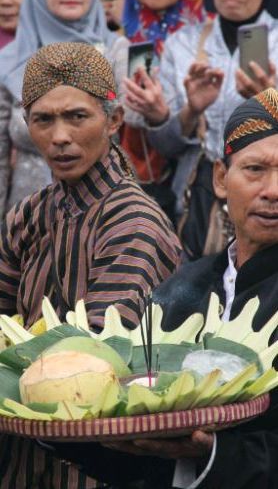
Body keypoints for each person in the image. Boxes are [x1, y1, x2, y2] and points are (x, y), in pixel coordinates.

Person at [47, 87, 278, 489]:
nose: (272, 190)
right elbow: (141, 447)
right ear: (221, 179)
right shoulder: (182, 289)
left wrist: (213, 453)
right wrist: (66, 421)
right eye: (255, 169)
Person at [0, 41, 181, 488]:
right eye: (44, 119)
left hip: (102, 466)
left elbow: (95, 361)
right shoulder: (28, 215)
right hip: (24, 458)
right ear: (27, 125)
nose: (60, 136)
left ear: (113, 120)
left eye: (77, 117)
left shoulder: (134, 221)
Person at [124, 0, 278, 257]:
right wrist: (190, 110)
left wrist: (272, 102)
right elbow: (167, 147)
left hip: (269, 202)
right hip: (198, 204)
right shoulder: (183, 43)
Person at [0, 0, 131, 220]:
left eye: (78, 115)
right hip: (28, 221)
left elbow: (139, 127)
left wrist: (155, 112)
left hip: (101, 215)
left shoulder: (116, 51)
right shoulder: (10, 59)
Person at [120, 0, 204, 222]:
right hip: (137, 170)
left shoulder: (208, 34)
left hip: (195, 178)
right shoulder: (120, 31)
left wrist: (169, 116)